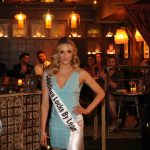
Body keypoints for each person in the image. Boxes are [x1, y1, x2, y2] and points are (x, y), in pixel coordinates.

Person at [40, 37, 105, 150]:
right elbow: (45, 104)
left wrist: (87, 110)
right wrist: (42, 131)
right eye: (62, 52)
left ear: (74, 53)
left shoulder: (81, 73)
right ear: (57, 54)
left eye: (69, 51)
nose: (65, 55)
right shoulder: (47, 75)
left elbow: (101, 93)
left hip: (74, 123)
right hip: (55, 124)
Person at [98, 56, 124, 129]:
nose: (111, 63)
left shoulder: (119, 73)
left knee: (109, 97)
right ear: (106, 63)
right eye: (109, 61)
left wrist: (106, 78)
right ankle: (116, 120)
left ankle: (115, 120)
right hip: (107, 94)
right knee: (106, 96)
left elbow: (115, 86)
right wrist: (105, 78)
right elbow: (104, 90)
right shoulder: (104, 73)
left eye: (113, 62)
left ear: (115, 63)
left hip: (118, 94)